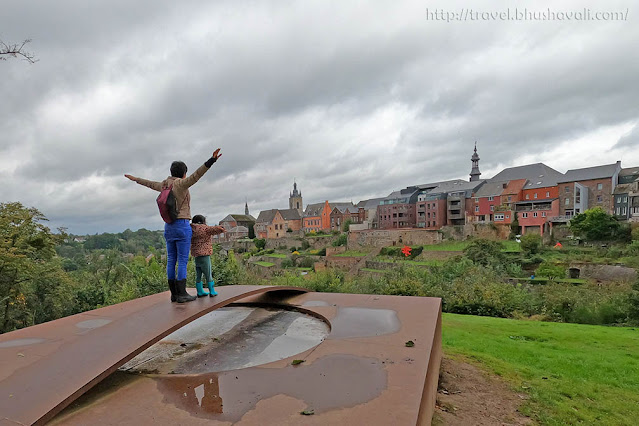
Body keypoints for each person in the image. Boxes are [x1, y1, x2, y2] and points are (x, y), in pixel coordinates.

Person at [124, 148, 222, 303]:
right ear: (183, 173)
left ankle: (174, 294)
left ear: (171, 171)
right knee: (182, 260)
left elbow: (148, 183)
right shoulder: (181, 184)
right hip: (182, 226)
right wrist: (211, 160)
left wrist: (134, 178)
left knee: (171, 260)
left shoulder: (164, 185)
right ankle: (182, 293)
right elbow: (197, 175)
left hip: (168, 227)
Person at [190, 215, 226, 297]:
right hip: (205, 255)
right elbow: (218, 229)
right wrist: (222, 227)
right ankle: (212, 291)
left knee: (198, 274)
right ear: (203, 221)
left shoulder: (191, 230)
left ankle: (200, 291)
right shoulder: (205, 229)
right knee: (208, 274)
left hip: (196, 255)